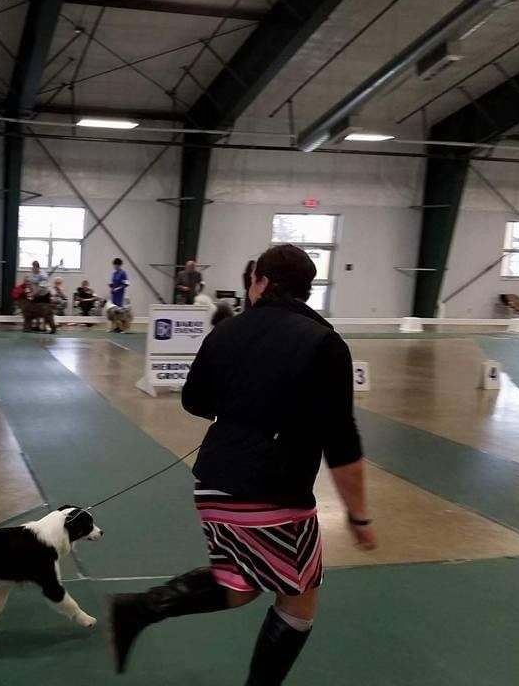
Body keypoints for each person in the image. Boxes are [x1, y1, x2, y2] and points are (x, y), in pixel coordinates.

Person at [108, 244, 375, 685]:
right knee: (296, 599)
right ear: (305, 289)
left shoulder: (226, 331)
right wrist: (359, 515)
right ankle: (139, 609)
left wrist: (242, 404)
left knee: (241, 584)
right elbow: (342, 442)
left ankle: (139, 609)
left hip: (214, 484)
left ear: (261, 282)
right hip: (275, 492)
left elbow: (195, 400)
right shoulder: (325, 343)